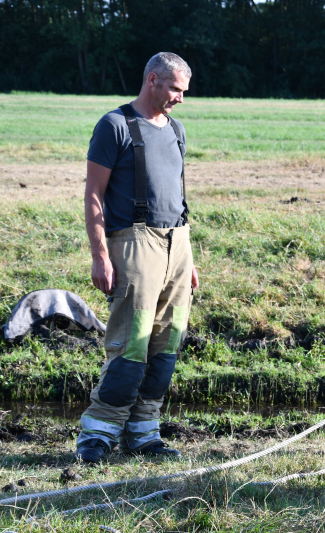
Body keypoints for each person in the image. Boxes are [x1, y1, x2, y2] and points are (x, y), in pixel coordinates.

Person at [75, 52, 199, 463]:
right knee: (131, 344)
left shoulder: (177, 129)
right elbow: (94, 195)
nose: (181, 98)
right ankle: (98, 433)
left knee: (167, 345)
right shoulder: (114, 126)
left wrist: (188, 259)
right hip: (134, 244)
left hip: (177, 245)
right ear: (152, 80)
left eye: (184, 91)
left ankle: (144, 432)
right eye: (176, 89)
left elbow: (177, 197)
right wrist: (100, 255)